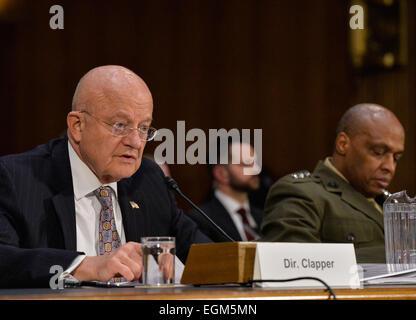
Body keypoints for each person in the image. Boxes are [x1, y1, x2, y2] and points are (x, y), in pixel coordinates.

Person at [0, 65, 211, 288]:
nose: (136, 142)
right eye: (120, 125)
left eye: (143, 128)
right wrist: (86, 266)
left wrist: (249, 260)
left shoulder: (148, 179)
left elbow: (205, 255)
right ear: (77, 125)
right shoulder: (16, 177)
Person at [260, 103, 405, 263]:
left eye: (396, 158)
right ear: (343, 144)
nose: (389, 167)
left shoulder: (390, 203)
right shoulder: (302, 193)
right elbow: (293, 265)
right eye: (378, 153)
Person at [188, 139, 263, 242]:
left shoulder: (265, 217)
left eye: (256, 163)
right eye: (246, 164)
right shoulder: (200, 220)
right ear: (221, 174)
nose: (257, 169)